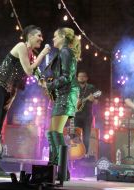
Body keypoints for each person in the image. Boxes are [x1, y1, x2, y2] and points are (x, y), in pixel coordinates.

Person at [0, 25, 50, 177]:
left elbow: (38, 76)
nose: (41, 38)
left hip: (9, 92)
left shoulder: (31, 55)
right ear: (30, 36)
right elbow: (28, 70)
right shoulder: (21, 46)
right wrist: (43, 54)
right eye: (39, 35)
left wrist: (48, 86)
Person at [39, 27, 81, 180]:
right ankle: (56, 168)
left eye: (56, 36)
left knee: (55, 132)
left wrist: (49, 85)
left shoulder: (65, 52)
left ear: (63, 37)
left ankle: (61, 171)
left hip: (67, 94)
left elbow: (67, 76)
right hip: (64, 94)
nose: (53, 39)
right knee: (52, 132)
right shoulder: (64, 52)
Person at [74, 71, 99, 157]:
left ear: (86, 78)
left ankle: (85, 154)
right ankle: (76, 153)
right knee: (75, 135)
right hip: (76, 115)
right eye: (79, 76)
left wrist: (93, 99)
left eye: (83, 76)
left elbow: (97, 99)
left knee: (86, 135)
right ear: (77, 78)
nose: (81, 78)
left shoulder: (91, 87)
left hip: (87, 115)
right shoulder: (74, 87)